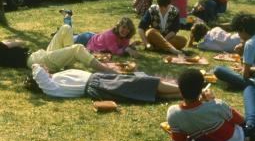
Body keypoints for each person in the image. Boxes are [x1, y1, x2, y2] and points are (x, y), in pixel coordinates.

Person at [25, 63, 181, 102]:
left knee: (139, 85)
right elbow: (38, 72)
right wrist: (35, 66)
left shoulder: (55, 78)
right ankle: (186, 90)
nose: (45, 69)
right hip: (97, 85)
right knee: (143, 83)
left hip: (99, 80)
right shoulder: (50, 88)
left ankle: (183, 92)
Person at [0, 26, 117, 73]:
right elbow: (19, 41)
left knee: (66, 28)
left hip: (40, 55)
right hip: (36, 61)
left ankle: (66, 62)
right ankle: (105, 70)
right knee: (78, 48)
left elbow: (19, 42)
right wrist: (10, 41)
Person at [188, 21, 255, 53]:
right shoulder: (215, 29)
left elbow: (191, 46)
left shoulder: (204, 45)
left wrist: (191, 37)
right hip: (235, 37)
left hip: (234, 47)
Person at [74, 17, 138, 57]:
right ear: (118, 26)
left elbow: (123, 47)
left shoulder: (126, 36)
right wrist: (127, 49)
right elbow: (115, 51)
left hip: (96, 37)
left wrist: (130, 47)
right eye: (123, 27)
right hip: (86, 39)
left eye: (128, 28)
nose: (126, 30)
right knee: (68, 39)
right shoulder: (110, 35)